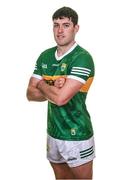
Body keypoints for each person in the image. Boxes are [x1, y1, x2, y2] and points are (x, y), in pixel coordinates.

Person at [27, 6, 95, 179]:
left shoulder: (82, 57)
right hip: (53, 131)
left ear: (76, 28)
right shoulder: (45, 56)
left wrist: (42, 84)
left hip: (77, 133)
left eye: (66, 25)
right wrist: (52, 87)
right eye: (56, 25)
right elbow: (29, 94)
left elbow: (60, 99)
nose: (60, 30)